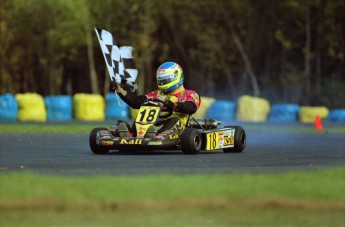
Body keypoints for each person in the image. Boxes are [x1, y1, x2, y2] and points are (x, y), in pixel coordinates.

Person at [113, 61, 201, 137]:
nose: (162, 83)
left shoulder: (190, 94)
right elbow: (137, 102)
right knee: (143, 114)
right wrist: (120, 91)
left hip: (178, 128)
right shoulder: (157, 94)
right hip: (157, 123)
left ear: (176, 77)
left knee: (173, 120)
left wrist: (175, 105)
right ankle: (131, 134)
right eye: (161, 80)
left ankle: (155, 136)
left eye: (165, 80)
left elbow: (191, 107)